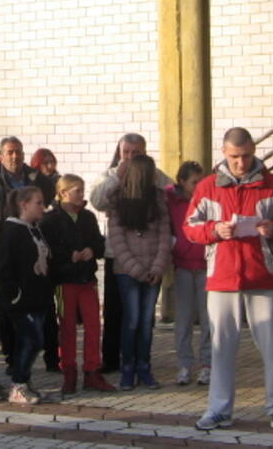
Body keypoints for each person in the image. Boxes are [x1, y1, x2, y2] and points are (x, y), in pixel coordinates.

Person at [185, 127, 273, 435]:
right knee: (221, 347)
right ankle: (219, 409)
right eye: (235, 157)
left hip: (264, 276)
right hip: (222, 278)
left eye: (247, 156)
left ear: (254, 151)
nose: (241, 163)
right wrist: (214, 231)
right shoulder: (208, 186)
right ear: (223, 153)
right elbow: (190, 227)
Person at [90, 133, 172, 373]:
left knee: (143, 317)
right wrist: (119, 177)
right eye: (126, 152)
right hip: (119, 255)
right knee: (116, 311)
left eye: (136, 153)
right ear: (119, 153)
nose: (130, 157)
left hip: (150, 255)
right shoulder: (110, 174)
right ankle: (113, 360)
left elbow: (171, 195)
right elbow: (97, 201)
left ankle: (140, 359)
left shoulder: (156, 176)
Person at [0, 136, 58, 373]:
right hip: (7, 253)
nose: (14, 157)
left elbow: (48, 207)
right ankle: (14, 365)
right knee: (11, 314)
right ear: (1, 156)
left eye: (18, 151)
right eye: (9, 152)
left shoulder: (36, 179)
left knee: (44, 313)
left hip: (35, 252)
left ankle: (50, 360)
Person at [40, 174, 115, 394]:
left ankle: (92, 371)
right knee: (67, 327)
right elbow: (48, 251)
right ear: (63, 193)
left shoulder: (88, 218)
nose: (82, 196)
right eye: (77, 191)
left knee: (93, 325)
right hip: (64, 282)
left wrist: (92, 250)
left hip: (86, 279)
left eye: (82, 191)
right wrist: (67, 257)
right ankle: (69, 372)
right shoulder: (51, 220)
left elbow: (99, 244)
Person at [107, 154, 172, 391]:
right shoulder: (117, 201)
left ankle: (144, 367)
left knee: (147, 322)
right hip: (127, 272)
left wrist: (157, 267)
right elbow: (117, 240)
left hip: (153, 271)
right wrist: (136, 270)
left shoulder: (158, 199)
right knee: (132, 321)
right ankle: (127, 369)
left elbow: (165, 235)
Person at [0, 185, 53, 404]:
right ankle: (18, 384)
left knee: (34, 340)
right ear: (24, 205)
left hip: (38, 296)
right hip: (22, 299)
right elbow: (5, 267)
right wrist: (13, 295)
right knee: (32, 340)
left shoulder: (35, 228)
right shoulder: (12, 230)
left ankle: (25, 382)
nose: (43, 207)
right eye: (38, 203)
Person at [165, 160, 211, 386]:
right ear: (182, 181)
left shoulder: (207, 199)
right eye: (194, 182)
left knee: (207, 319)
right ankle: (185, 365)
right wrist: (175, 244)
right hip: (183, 265)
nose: (198, 185)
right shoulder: (171, 201)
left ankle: (207, 364)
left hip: (204, 265)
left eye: (201, 181)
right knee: (183, 320)